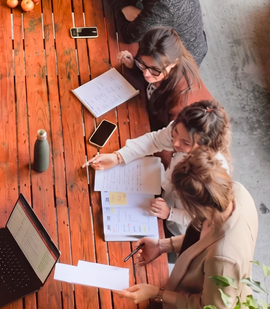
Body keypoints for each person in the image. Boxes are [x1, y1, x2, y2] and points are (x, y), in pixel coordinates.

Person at [114, 150, 259, 309]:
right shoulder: (236, 193)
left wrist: (156, 292)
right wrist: (163, 245)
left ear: (198, 207)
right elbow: (200, 238)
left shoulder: (223, 258)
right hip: (193, 287)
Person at [87, 100, 231, 236]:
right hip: (164, 195)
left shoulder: (209, 177)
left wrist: (170, 213)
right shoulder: (183, 130)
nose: (175, 143)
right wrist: (118, 156)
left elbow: (201, 216)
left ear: (207, 146)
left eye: (185, 142)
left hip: (183, 221)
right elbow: (155, 140)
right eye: (174, 134)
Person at [115, 27, 205, 133]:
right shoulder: (165, 62)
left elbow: (172, 139)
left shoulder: (181, 102)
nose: (146, 74)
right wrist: (134, 65)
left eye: (154, 70)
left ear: (173, 64)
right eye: (142, 63)